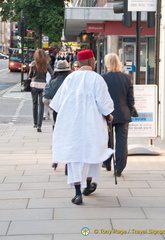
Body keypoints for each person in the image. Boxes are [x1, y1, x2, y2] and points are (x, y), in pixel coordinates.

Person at [50, 49, 114, 205]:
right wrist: (109, 115)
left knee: (75, 157)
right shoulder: (97, 79)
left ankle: (78, 192)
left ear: (78, 63)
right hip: (92, 124)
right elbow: (104, 104)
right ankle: (88, 185)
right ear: (91, 62)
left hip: (72, 125)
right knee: (92, 154)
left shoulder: (70, 78)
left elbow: (57, 104)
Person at [101, 53, 135, 177]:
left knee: (107, 139)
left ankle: (107, 162)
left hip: (108, 113)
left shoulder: (103, 77)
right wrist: (130, 111)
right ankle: (119, 167)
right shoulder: (127, 77)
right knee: (122, 141)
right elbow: (130, 98)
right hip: (123, 113)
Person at [28, 49, 53, 132]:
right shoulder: (46, 64)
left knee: (34, 104)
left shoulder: (33, 63)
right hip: (43, 85)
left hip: (34, 85)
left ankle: (35, 123)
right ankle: (39, 125)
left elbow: (30, 75)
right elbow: (52, 73)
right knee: (41, 105)